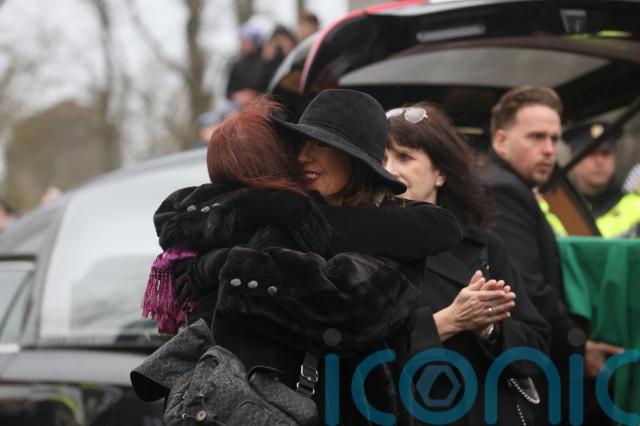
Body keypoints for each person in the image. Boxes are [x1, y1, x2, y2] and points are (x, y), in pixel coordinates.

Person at [140, 92, 463, 425]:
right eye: (302, 143)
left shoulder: (396, 239)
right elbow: (175, 214)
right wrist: (266, 211)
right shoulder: (285, 216)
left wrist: (225, 267)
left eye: (322, 145)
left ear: (356, 159)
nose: (304, 156)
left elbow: (340, 309)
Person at [385, 102, 550, 425]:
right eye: (381, 158)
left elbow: (536, 350)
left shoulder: (483, 246)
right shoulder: (357, 245)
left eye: (404, 157)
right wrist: (449, 320)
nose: (389, 170)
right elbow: (356, 352)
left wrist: (489, 329)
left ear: (440, 173)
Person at [480, 86, 623, 425]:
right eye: (536, 137)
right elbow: (528, 287)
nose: (549, 150)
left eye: (554, 139)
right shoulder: (503, 188)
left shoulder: (509, 185)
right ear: (501, 141)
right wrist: (578, 346)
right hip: (528, 367)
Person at [565, 121, 640, 237]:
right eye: (591, 154)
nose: (599, 161)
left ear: (614, 158)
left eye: (605, 153)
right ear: (573, 159)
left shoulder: (636, 206)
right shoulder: (551, 207)